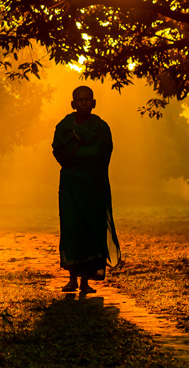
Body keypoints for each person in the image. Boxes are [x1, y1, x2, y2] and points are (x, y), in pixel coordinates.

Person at [52, 85, 121, 293]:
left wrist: (80, 156)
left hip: (93, 186)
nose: (84, 103)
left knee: (91, 230)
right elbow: (58, 150)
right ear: (73, 104)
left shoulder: (101, 128)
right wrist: (81, 155)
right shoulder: (64, 126)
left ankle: (85, 282)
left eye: (87, 99)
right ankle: (72, 279)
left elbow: (102, 153)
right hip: (70, 187)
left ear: (94, 103)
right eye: (80, 100)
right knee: (72, 230)